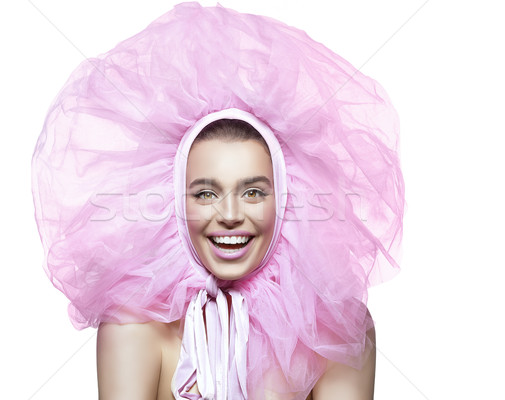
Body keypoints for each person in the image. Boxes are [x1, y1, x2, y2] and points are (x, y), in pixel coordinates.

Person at [31, 3, 404, 399]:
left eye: (253, 192)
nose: (229, 215)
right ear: (174, 203)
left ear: (287, 202)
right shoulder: (133, 326)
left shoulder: (336, 329)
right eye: (206, 193)